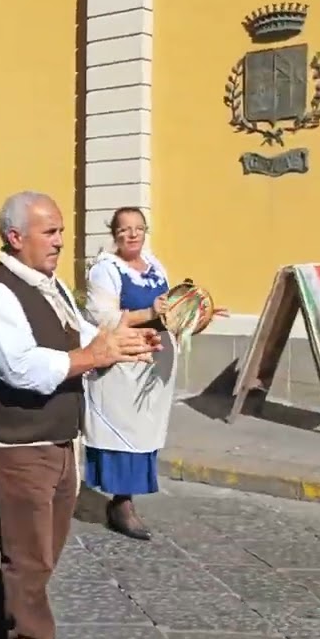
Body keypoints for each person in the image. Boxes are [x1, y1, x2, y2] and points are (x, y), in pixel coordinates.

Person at [0, 192, 161, 639]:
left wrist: (126, 341)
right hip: (14, 449)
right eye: (49, 231)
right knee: (29, 559)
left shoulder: (50, 286)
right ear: (16, 237)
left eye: (59, 231)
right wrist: (93, 355)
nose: (59, 240)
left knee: (40, 553)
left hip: (57, 442)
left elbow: (85, 333)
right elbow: (21, 367)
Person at [83, 207, 226, 540]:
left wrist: (196, 315)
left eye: (138, 228)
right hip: (125, 360)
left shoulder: (154, 265)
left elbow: (172, 312)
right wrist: (148, 312)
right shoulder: (106, 270)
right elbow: (102, 318)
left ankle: (126, 498)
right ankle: (122, 502)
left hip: (156, 362)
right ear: (114, 234)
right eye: (124, 229)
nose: (132, 235)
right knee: (122, 430)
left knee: (145, 431)